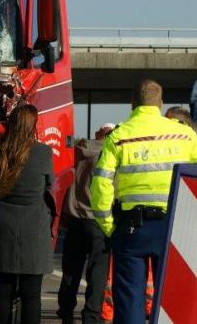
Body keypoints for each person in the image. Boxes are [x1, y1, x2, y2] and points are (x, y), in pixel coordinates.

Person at [90, 79, 197, 324]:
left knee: (129, 301)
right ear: (161, 104)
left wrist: (109, 226)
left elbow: (99, 186)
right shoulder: (186, 136)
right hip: (175, 228)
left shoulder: (119, 137)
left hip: (131, 229)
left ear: (132, 104)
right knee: (173, 304)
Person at [0, 104, 55, 324]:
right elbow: (49, 184)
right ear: (33, 125)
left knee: (3, 293)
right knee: (31, 295)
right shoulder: (43, 151)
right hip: (33, 228)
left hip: (3, 225)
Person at [57, 123, 115, 324]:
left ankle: (65, 311)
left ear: (98, 133)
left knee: (71, 269)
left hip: (75, 219)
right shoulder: (111, 155)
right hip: (99, 220)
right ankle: (91, 315)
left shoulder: (78, 152)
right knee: (97, 271)